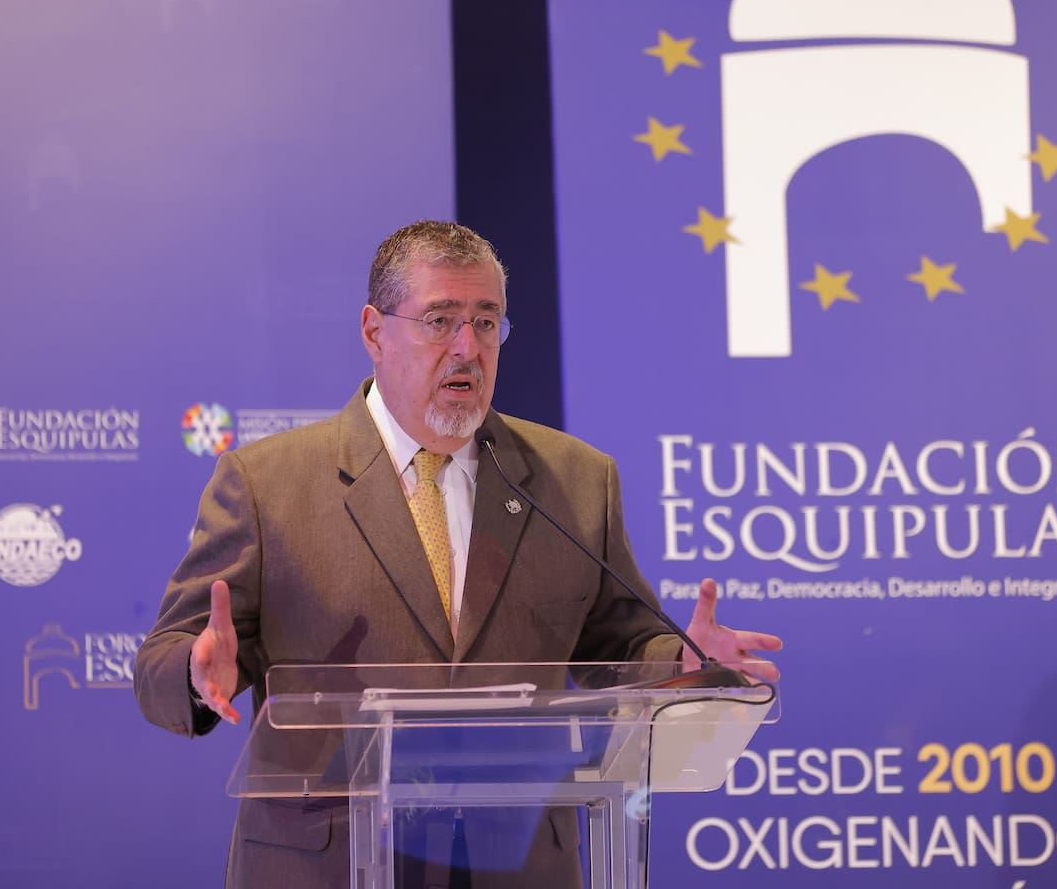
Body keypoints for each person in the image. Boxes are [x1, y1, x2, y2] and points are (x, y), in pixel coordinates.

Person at [134, 220, 780, 887]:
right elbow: (162, 661)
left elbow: (622, 641)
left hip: (519, 863)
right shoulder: (267, 484)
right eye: (440, 321)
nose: (467, 347)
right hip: (332, 862)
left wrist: (682, 662)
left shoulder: (576, 480)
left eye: (486, 322)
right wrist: (195, 671)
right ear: (374, 332)